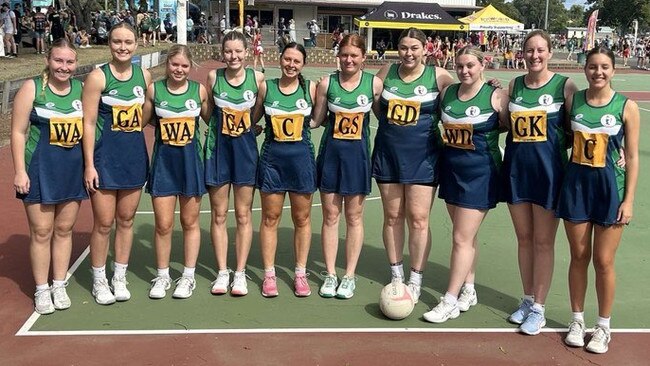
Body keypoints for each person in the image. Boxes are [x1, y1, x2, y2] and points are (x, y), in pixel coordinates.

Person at [557, 46, 639, 354]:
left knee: (603, 261)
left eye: (604, 67)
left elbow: (631, 156)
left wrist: (628, 200)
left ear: (614, 70)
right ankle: (577, 321)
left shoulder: (625, 106)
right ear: (585, 69)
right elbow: (562, 138)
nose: (598, 72)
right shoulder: (573, 101)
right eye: (593, 67)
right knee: (578, 257)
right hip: (576, 189)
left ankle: (603, 326)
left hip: (610, 192)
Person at [423, 46, 509, 323]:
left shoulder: (496, 95)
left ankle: (448, 299)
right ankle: (469, 290)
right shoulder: (448, 93)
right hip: (451, 170)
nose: (465, 71)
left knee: (460, 237)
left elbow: (510, 125)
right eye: (460, 66)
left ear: (482, 64)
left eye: (470, 65)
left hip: (480, 174)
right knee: (467, 237)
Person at [500, 30, 577, 335]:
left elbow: (577, 127)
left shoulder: (564, 86)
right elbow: (505, 122)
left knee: (543, 242)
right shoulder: (514, 85)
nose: (535, 55)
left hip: (548, 175)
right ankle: (527, 298)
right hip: (517, 172)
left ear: (550, 52)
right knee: (524, 239)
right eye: (530, 50)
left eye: (540, 50)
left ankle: (540, 309)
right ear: (523, 52)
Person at [372, 27, 454, 303]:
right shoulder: (386, 73)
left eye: (414, 48)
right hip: (389, 155)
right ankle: (396, 274)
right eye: (404, 48)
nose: (409, 53)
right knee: (393, 217)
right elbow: (376, 108)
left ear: (425, 49)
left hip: (424, 157)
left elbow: (461, 100)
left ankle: (416, 277)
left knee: (419, 219)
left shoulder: (440, 77)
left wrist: (491, 87)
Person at [11, 39, 86, 315]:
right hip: (40, 169)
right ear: (48, 60)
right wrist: (20, 170)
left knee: (64, 230)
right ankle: (42, 289)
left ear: (75, 64)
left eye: (69, 62)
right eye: (58, 60)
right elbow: (18, 132)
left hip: (71, 171)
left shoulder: (80, 88)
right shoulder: (32, 88)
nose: (63, 67)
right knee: (42, 232)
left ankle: (59, 283)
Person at [82, 22, 152, 305]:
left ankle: (118, 276)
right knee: (103, 223)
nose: (122, 47)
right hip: (104, 160)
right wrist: (89, 164)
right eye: (117, 42)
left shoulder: (143, 75)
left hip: (133, 158)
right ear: (109, 44)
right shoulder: (98, 77)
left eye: (128, 42)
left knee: (126, 220)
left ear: (136, 45)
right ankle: (99, 280)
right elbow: (87, 123)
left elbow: (148, 111)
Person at [311, 34, 382, 299]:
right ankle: (330, 274)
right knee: (330, 216)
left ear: (364, 57)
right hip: (331, 156)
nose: (348, 60)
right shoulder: (327, 83)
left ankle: (349, 275)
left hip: (358, 160)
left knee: (354, 217)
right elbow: (316, 120)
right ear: (338, 57)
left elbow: (384, 117)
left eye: (354, 55)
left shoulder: (373, 84)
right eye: (344, 55)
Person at [143, 45, 212, 299]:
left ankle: (188, 276)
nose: (179, 70)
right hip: (164, 164)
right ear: (167, 65)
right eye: (174, 65)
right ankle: (162, 276)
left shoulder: (199, 91)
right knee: (163, 224)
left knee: (189, 222)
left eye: (184, 66)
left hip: (190, 164)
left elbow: (211, 120)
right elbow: (143, 120)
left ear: (190, 66)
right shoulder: (155, 90)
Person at [253, 42, 317, 298]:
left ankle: (300, 273)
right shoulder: (266, 87)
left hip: (301, 160)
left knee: (302, 219)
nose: (291, 65)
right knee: (270, 218)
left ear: (303, 65)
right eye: (287, 59)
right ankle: (269, 275)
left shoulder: (310, 88)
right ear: (280, 60)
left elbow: (320, 118)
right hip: (273, 161)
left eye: (296, 61)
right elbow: (252, 119)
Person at [205, 31, 264, 296]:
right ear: (222, 52)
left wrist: (253, 127)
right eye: (228, 51)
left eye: (238, 51)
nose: (233, 56)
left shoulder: (257, 79)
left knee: (243, 215)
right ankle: (221, 271)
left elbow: (258, 112)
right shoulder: (213, 78)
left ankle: (239, 272)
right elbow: (208, 114)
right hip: (219, 152)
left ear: (247, 52)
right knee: (218, 214)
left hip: (245, 154)